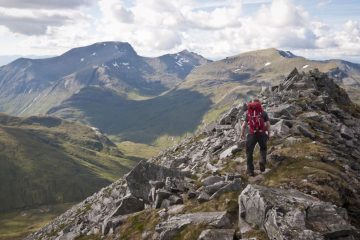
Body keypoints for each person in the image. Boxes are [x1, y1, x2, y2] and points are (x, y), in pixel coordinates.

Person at [240, 99, 270, 176]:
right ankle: (262, 161)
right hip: (262, 134)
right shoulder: (264, 113)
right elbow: (268, 125)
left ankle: (250, 171)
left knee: (249, 153)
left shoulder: (248, 114)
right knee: (263, 149)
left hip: (252, 135)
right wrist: (268, 134)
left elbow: (243, 126)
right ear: (259, 104)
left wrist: (242, 134)